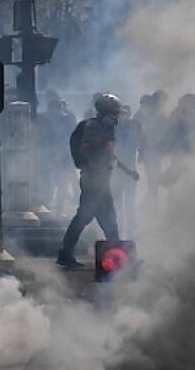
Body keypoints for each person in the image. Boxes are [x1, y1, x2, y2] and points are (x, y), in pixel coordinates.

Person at [57, 93, 139, 268]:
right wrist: (101, 146)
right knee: (87, 218)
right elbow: (86, 149)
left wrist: (128, 171)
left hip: (101, 181)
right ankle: (65, 253)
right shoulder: (94, 126)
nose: (117, 116)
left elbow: (110, 155)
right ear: (105, 112)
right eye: (115, 112)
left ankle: (119, 257)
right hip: (93, 181)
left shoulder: (104, 128)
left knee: (106, 220)